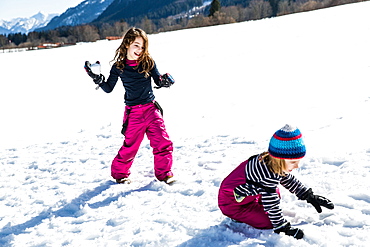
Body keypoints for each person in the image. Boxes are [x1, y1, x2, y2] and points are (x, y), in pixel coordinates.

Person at [84, 27, 175, 185]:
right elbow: (108, 88)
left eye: (142, 46)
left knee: (162, 141)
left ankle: (165, 174)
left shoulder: (148, 62)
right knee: (130, 146)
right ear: (127, 44)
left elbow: (158, 80)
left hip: (151, 109)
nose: (140, 50)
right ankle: (120, 174)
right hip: (133, 113)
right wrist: (97, 78)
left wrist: (165, 81)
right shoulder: (119, 67)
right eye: (136, 45)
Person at [218, 124, 334, 239]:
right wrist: (282, 226)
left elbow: (287, 179)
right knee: (269, 221)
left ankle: (256, 205)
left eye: (298, 161)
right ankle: (237, 217)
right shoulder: (266, 175)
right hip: (232, 203)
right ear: (279, 159)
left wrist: (308, 195)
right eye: (293, 162)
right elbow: (272, 203)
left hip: (248, 194)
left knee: (274, 193)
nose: (297, 166)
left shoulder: (272, 162)